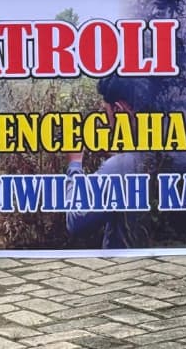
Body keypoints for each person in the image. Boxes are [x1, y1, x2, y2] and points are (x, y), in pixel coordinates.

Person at [66, 75, 156, 248]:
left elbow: (76, 221)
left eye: (105, 111)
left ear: (118, 110)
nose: (105, 120)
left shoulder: (120, 166)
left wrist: (74, 165)